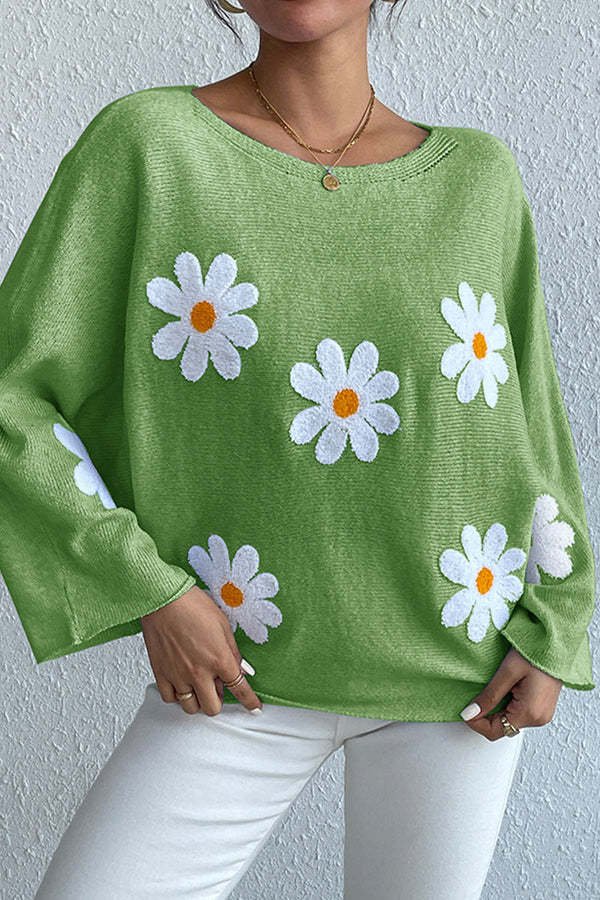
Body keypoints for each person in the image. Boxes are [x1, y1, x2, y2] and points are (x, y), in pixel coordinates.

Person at [0, 1, 595, 898]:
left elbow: (527, 422)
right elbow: (14, 395)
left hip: (460, 682)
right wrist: (150, 589)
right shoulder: (149, 146)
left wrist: (558, 626)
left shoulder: (478, 178)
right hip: (239, 674)